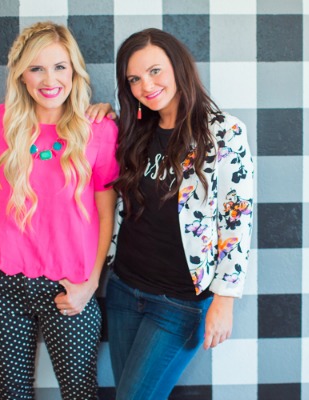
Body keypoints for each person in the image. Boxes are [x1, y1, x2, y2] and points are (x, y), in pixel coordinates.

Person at [0, 21, 118, 399]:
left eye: (59, 66)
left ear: (73, 70)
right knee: (11, 393)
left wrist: (90, 284)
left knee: (80, 393)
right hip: (0, 288)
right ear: (21, 74)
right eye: (36, 68)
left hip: (69, 287)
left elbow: (107, 214)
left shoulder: (98, 130)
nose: (50, 79)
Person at [106, 28, 254, 399]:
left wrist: (224, 299)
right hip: (123, 288)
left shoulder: (223, 132)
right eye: (134, 79)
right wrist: (101, 115)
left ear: (178, 67)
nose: (146, 86)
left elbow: (237, 220)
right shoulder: (133, 130)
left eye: (154, 71)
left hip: (179, 303)